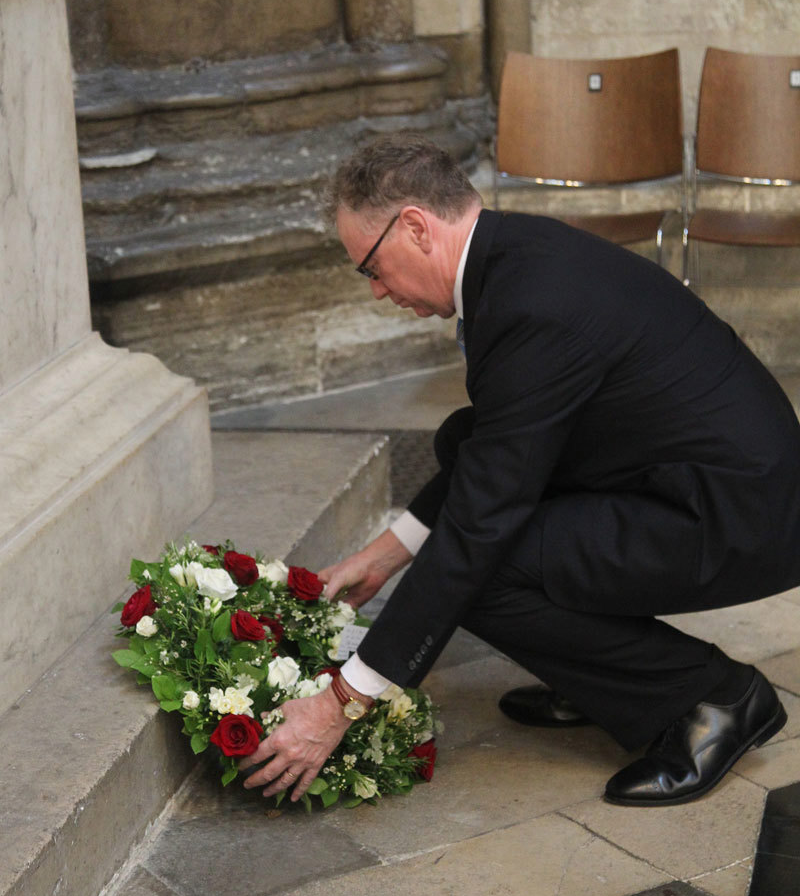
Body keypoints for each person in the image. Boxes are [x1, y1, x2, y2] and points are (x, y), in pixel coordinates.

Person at [242, 132, 800, 806]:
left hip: (735, 515)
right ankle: (602, 682)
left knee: (485, 571)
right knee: (463, 442)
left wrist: (341, 701)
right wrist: (383, 557)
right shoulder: (518, 257)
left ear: (414, 227)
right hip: (697, 481)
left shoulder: (533, 304)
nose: (378, 291)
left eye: (371, 267)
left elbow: (480, 526)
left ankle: (715, 698)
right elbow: (494, 452)